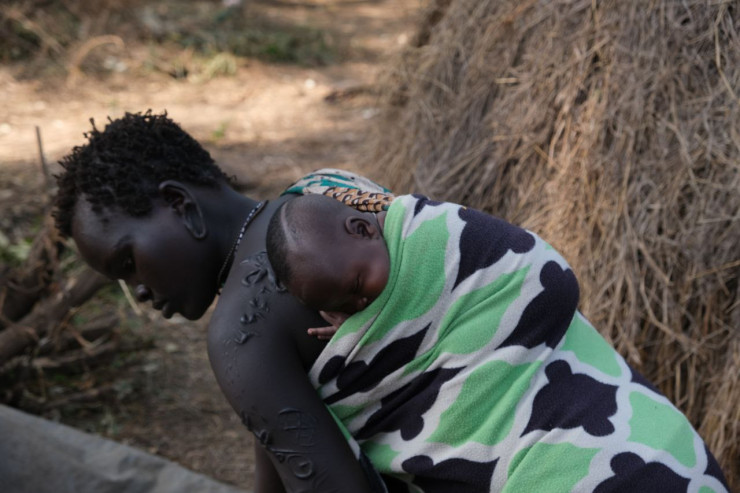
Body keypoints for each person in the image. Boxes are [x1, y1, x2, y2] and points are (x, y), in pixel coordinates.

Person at [265, 193, 730, 493]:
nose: (361, 303)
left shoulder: (443, 237)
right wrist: (362, 333)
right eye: (342, 308)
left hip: (621, 442)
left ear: (364, 229)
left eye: (357, 285)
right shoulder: (357, 285)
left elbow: (542, 276)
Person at [53, 111, 396, 493]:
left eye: (128, 263)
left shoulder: (239, 334)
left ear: (180, 203)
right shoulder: (327, 191)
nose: (139, 292)